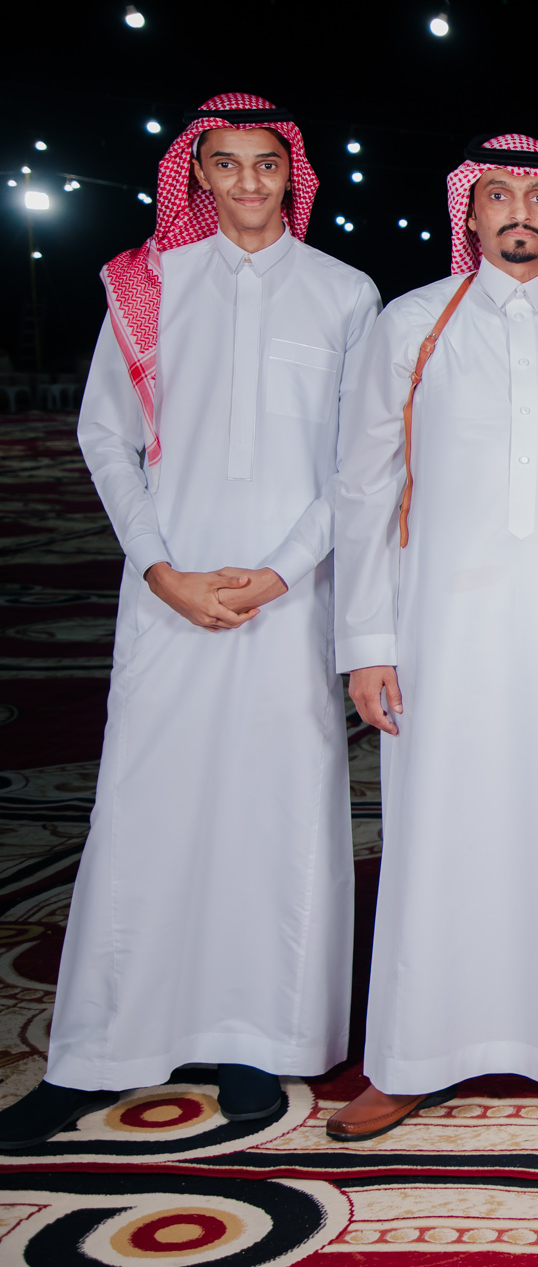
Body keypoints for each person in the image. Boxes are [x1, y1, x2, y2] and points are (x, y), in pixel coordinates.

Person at [0, 95, 378, 1150]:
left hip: (288, 600)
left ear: (291, 173)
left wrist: (281, 572)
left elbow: (357, 463)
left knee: (273, 811)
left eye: (266, 164)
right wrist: (160, 569)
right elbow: (104, 437)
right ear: (198, 173)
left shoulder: (344, 293)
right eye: (228, 164)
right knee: (144, 809)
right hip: (168, 594)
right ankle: (99, 1049)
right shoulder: (149, 285)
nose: (249, 183)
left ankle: (257, 1041)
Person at [328, 134, 538, 1140]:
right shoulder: (411, 322)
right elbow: (363, 486)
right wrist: (367, 641)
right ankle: (413, 1056)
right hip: (438, 631)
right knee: (436, 834)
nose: (520, 214)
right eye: (499, 195)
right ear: (469, 209)